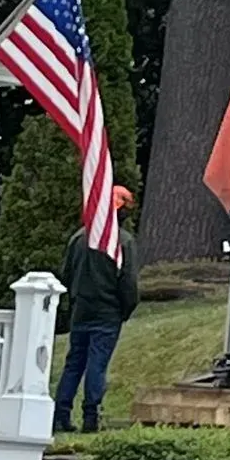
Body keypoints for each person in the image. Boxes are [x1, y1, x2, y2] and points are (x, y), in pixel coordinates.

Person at [53, 184, 140, 434]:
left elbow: (66, 274)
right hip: (107, 313)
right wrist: (124, 310)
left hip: (81, 311)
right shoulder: (123, 241)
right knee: (97, 364)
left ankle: (61, 415)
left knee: (74, 363)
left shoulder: (79, 238)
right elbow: (129, 284)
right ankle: (91, 416)